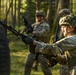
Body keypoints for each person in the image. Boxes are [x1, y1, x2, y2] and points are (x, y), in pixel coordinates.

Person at [23, 10, 52, 75]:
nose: (38, 18)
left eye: (40, 16)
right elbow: (27, 31)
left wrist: (33, 32)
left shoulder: (46, 25)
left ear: (43, 17)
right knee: (27, 65)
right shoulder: (34, 25)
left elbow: (43, 33)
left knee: (45, 68)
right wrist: (26, 26)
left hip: (42, 50)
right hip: (33, 50)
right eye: (37, 16)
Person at [53, 8, 71, 75]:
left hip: (69, 52)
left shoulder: (71, 26)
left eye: (63, 16)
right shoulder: (61, 25)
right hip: (62, 52)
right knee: (62, 69)